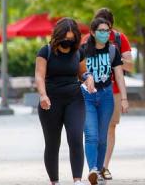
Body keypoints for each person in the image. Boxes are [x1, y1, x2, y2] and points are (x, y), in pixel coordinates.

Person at [35, 17, 94, 185]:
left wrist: (88, 78)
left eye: (72, 39)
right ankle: (54, 181)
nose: (68, 42)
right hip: (50, 100)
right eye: (65, 39)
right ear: (58, 36)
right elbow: (39, 76)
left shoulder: (78, 52)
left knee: (75, 138)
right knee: (53, 143)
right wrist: (43, 95)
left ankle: (77, 180)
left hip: (74, 99)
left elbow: (83, 72)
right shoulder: (45, 51)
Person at [81, 17, 129, 184]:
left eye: (107, 30)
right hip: (87, 96)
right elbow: (78, 71)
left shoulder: (113, 50)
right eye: (101, 31)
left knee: (102, 137)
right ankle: (92, 169)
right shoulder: (83, 50)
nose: (105, 34)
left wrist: (123, 98)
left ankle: (100, 169)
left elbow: (119, 75)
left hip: (106, 95)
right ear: (93, 32)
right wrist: (86, 77)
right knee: (91, 135)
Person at [92, 8, 134, 181]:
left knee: (109, 129)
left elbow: (130, 65)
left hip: (114, 91)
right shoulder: (89, 39)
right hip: (92, 91)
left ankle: (104, 167)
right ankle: (93, 165)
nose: (103, 32)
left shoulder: (119, 39)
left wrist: (113, 58)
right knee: (93, 130)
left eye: (106, 28)